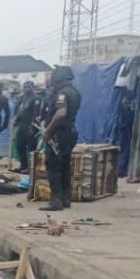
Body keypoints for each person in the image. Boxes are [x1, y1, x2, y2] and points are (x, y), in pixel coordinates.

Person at [39, 66, 82, 212]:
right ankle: (65, 199)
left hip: (59, 134)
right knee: (65, 166)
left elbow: (61, 113)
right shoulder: (75, 92)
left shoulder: (62, 93)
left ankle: (56, 201)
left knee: (53, 166)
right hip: (70, 132)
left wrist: (48, 131)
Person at [12, 80, 43, 173]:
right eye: (25, 87)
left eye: (28, 87)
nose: (26, 89)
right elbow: (19, 111)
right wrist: (15, 119)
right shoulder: (21, 98)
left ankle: (31, 168)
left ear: (32, 87)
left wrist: (32, 127)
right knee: (19, 146)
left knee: (31, 148)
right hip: (22, 126)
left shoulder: (36, 98)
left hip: (31, 126)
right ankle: (23, 165)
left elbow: (36, 113)